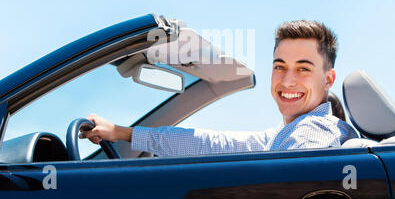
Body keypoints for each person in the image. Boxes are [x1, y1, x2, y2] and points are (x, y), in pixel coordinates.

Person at [79, 20, 358, 156]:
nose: (287, 80)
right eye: (280, 66)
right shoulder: (287, 135)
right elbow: (212, 143)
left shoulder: (312, 134)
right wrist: (120, 133)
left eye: (304, 69)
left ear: (328, 79)